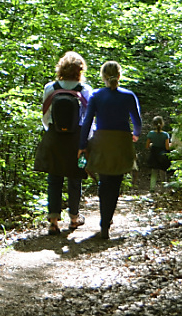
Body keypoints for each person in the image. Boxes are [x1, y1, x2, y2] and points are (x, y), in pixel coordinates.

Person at [78, 61, 141, 240]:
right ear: (119, 75)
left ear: (103, 76)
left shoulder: (96, 95)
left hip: (102, 141)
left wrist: (82, 145)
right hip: (121, 141)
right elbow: (137, 122)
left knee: (104, 181)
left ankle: (104, 221)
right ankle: (106, 222)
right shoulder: (128, 96)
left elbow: (88, 121)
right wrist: (135, 135)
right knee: (115, 182)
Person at [34, 52, 93, 235]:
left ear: (60, 68)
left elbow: (45, 116)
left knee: (54, 178)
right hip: (76, 138)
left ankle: (53, 221)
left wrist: (52, 130)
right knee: (75, 178)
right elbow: (88, 118)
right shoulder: (85, 90)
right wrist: (86, 140)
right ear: (80, 70)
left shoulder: (50, 87)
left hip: (54, 136)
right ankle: (74, 218)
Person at [146, 116, 171, 191]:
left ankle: (152, 188)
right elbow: (167, 148)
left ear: (153, 124)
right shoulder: (165, 134)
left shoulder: (151, 134)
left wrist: (151, 145)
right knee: (162, 172)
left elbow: (147, 146)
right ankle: (163, 189)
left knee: (154, 172)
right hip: (162, 155)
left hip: (154, 154)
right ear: (162, 124)